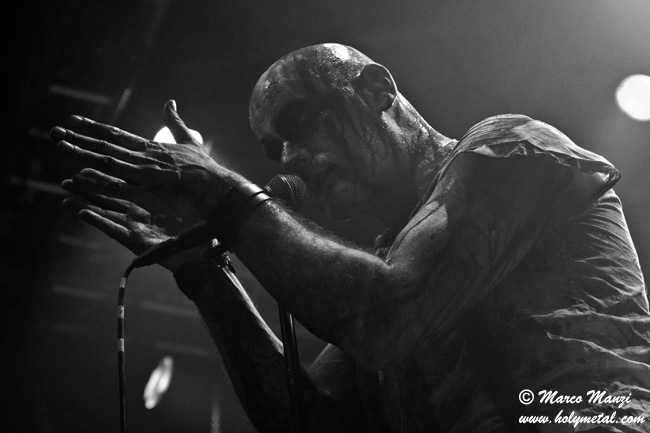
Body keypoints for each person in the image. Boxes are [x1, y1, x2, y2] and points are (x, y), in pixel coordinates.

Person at [51, 43, 650, 432]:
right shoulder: (389, 260)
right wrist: (201, 272)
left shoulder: (508, 146)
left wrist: (230, 198)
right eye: (274, 149)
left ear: (375, 91)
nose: (291, 158)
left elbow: (393, 318)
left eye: (301, 122)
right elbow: (309, 422)